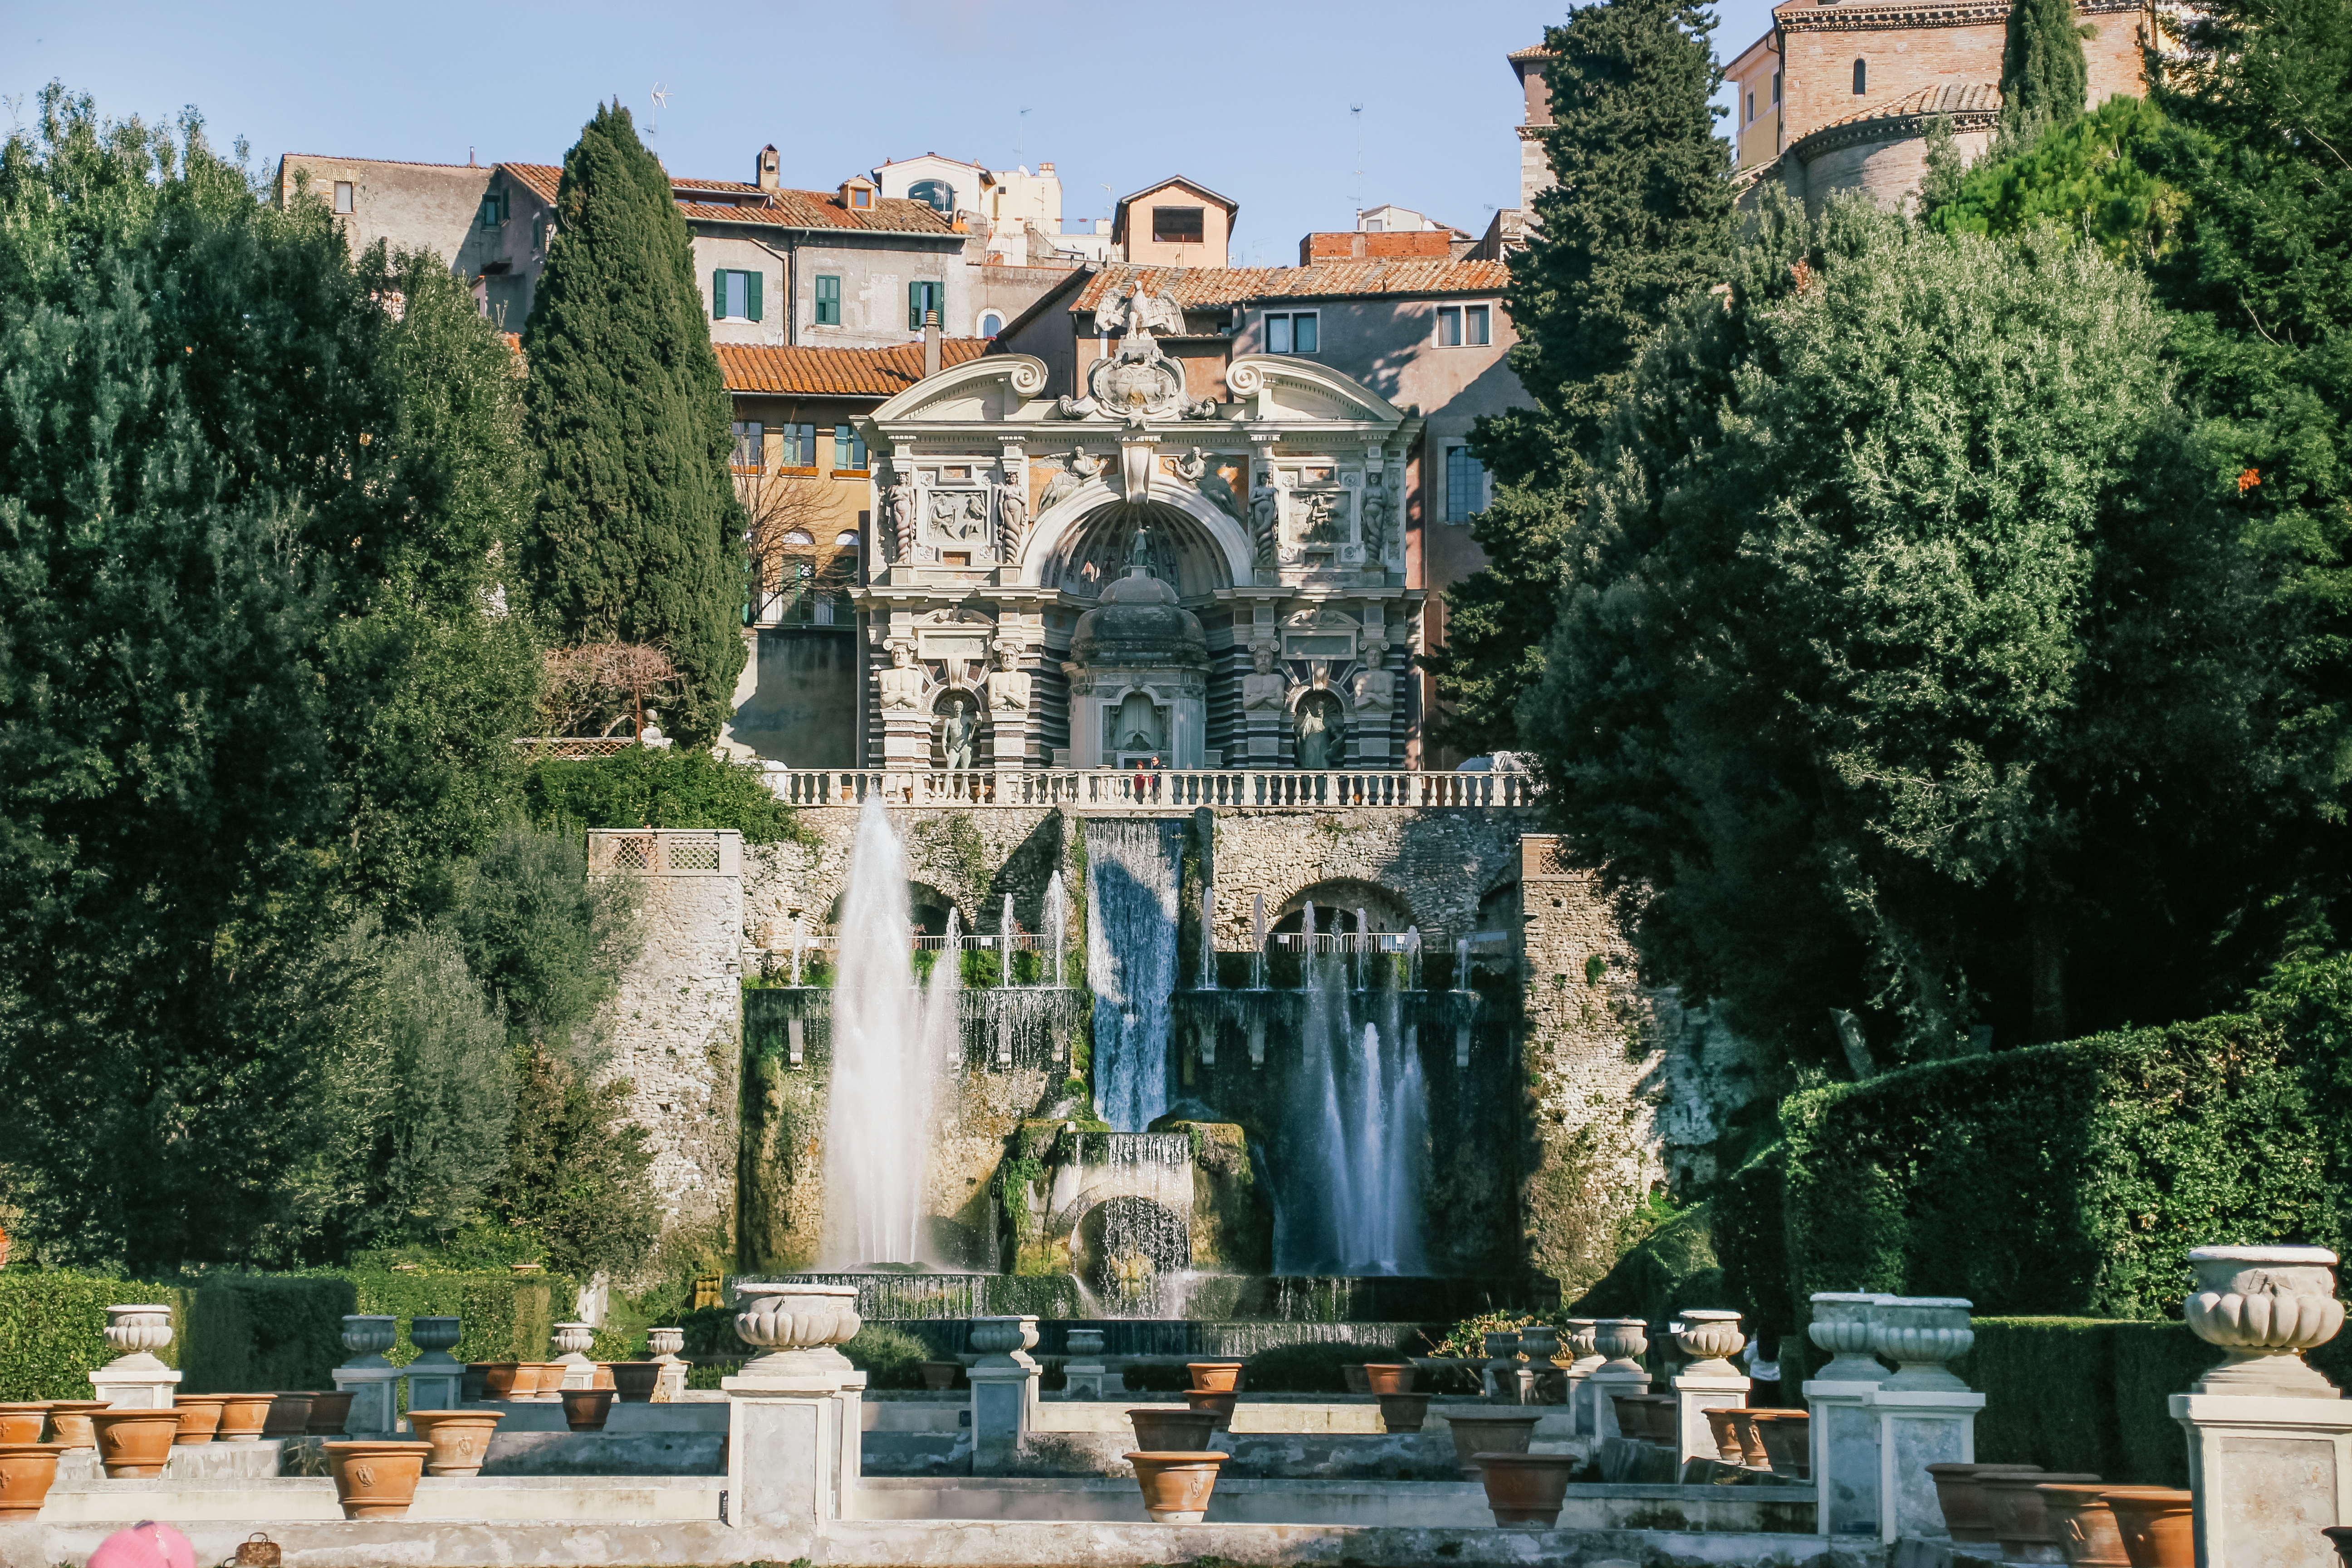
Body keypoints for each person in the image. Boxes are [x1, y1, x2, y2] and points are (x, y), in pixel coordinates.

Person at [1743, 1328, 1782, 1407]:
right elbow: (1780, 1359)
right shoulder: (1777, 1345)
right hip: (1775, 1381)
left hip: (1758, 1381)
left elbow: (1746, 1359)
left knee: (1755, 1409)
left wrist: (1753, 1342)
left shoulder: (1754, 1345)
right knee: (1775, 1409)